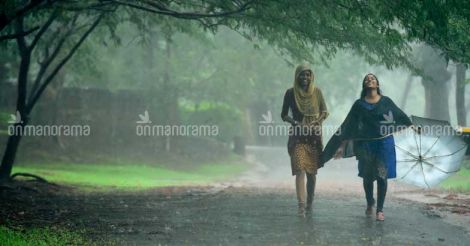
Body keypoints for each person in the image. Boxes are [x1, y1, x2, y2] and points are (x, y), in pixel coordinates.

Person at [321, 73, 413, 221]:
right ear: (364, 85)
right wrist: (340, 146)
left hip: (384, 143)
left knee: (382, 176)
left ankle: (380, 210)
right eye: (367, 79)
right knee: (368, 176)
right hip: (364, 144)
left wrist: (413, 126)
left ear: (377, 84)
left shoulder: (386, 101)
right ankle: (370, 202)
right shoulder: (359, 105)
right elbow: (348, 126)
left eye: (373, 78)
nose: (370, 80)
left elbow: (399, 115)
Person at [281, 64, 328, 217]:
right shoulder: (290, 93)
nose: (305, 78)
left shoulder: (317, 92)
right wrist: (295, 123)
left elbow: (325, 111)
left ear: (311, 76)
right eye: (302, 74)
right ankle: (301, 205)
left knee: (311, 173)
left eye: (308, 75)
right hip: (297, 135)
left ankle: (309, 203)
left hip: (313, 136)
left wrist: (316, 122)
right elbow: (284, 114)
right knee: (300, 169)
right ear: (297, 76)